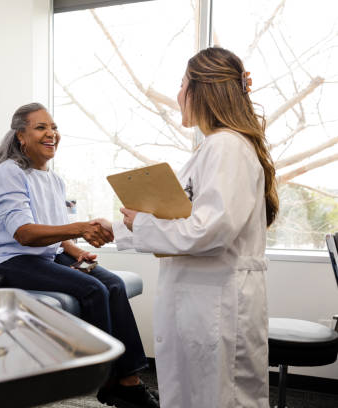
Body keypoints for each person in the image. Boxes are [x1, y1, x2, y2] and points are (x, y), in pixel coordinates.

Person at [95, 47, 279, 407]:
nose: (178, 94)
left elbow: (209, 231)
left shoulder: (226, 147)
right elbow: (182, 217)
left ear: (201, 90)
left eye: (181, 84)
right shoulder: (213, 148)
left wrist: (141, 222)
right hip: (204, 299)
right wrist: (117, 229)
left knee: (218, 397)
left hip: (217, 303)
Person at [0, 103, 159, 408]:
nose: (51, 134)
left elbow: (53, 232)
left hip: (44, 256)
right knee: (92, 290)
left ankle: (129, 381)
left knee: (112, 284)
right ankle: (107, 379)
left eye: (54, 127)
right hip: (9, 259)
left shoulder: (54, 179)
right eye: (40, 128)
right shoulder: (8, 172)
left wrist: (73, 248)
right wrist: (78, 229)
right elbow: (23, 233)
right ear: (21, 136)